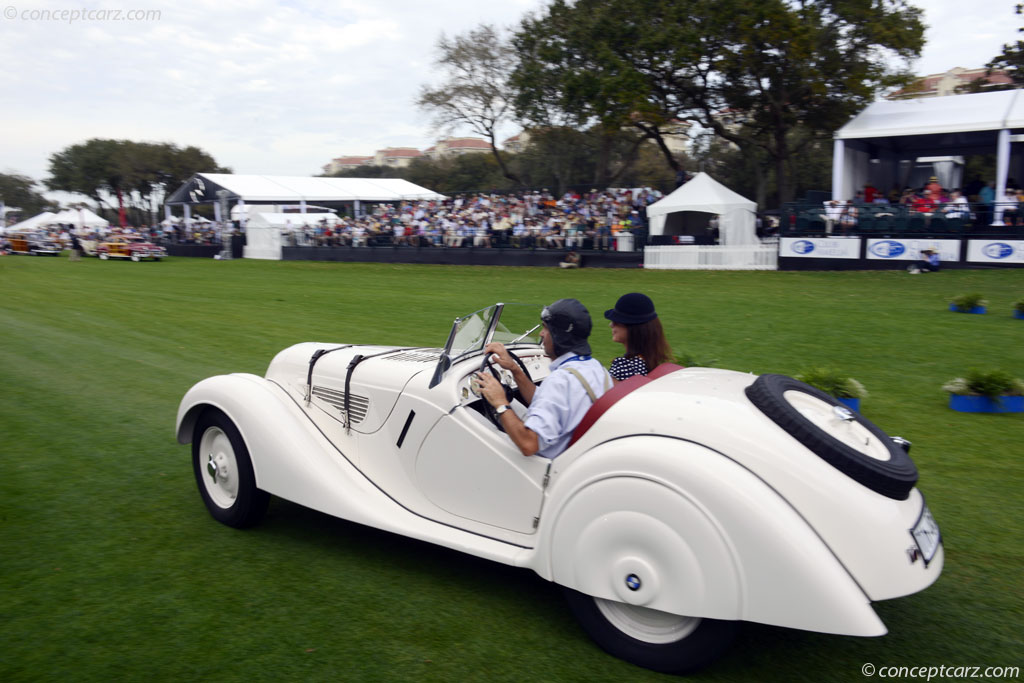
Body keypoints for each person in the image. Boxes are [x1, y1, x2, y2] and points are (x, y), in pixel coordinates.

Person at [476, 299, 611, 458]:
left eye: (546, 328)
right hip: (577, 456)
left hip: (544, 468)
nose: (541, 333)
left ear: (559, 336)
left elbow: (528, 444)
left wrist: (500, 402)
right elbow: (546, 401)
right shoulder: (597, 369)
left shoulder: (560, 381)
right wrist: (515, 369)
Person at [604, 293, 673, 382]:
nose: (611, 325)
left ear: (633, 328)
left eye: (616, 321)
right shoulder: (654, 363)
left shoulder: (626, 368)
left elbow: (614, 395)